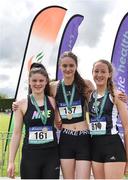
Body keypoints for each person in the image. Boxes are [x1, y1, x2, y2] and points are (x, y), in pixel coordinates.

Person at [7, 65, 60, 179]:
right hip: (30, 156)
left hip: (51, 155)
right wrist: (11, 162)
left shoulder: (52, 101)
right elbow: (17, 133)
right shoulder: (21, 104)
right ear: (29, 82)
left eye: (41, 80)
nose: (38, 84)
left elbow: (59, 123)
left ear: (46, 82)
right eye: (34, 80)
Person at [50, 51, 95, 179]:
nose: (68, 69)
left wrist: (116, 93)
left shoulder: (86, 84)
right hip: (66, 139)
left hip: (84, 138)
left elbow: (101, 99)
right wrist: (56, 117)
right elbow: (40, 100)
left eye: (71, 65)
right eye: (65, 66)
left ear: (76, 66)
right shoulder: (54, 86)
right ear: (60, 67)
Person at [88, 59, 128, 179]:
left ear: (109, 74)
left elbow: (127, 129)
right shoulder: (90, 96)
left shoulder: (116, 95)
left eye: (103, 71)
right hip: (95, 148)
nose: (99, 74)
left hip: (113, 147)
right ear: (92, 73)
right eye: (96, 71)